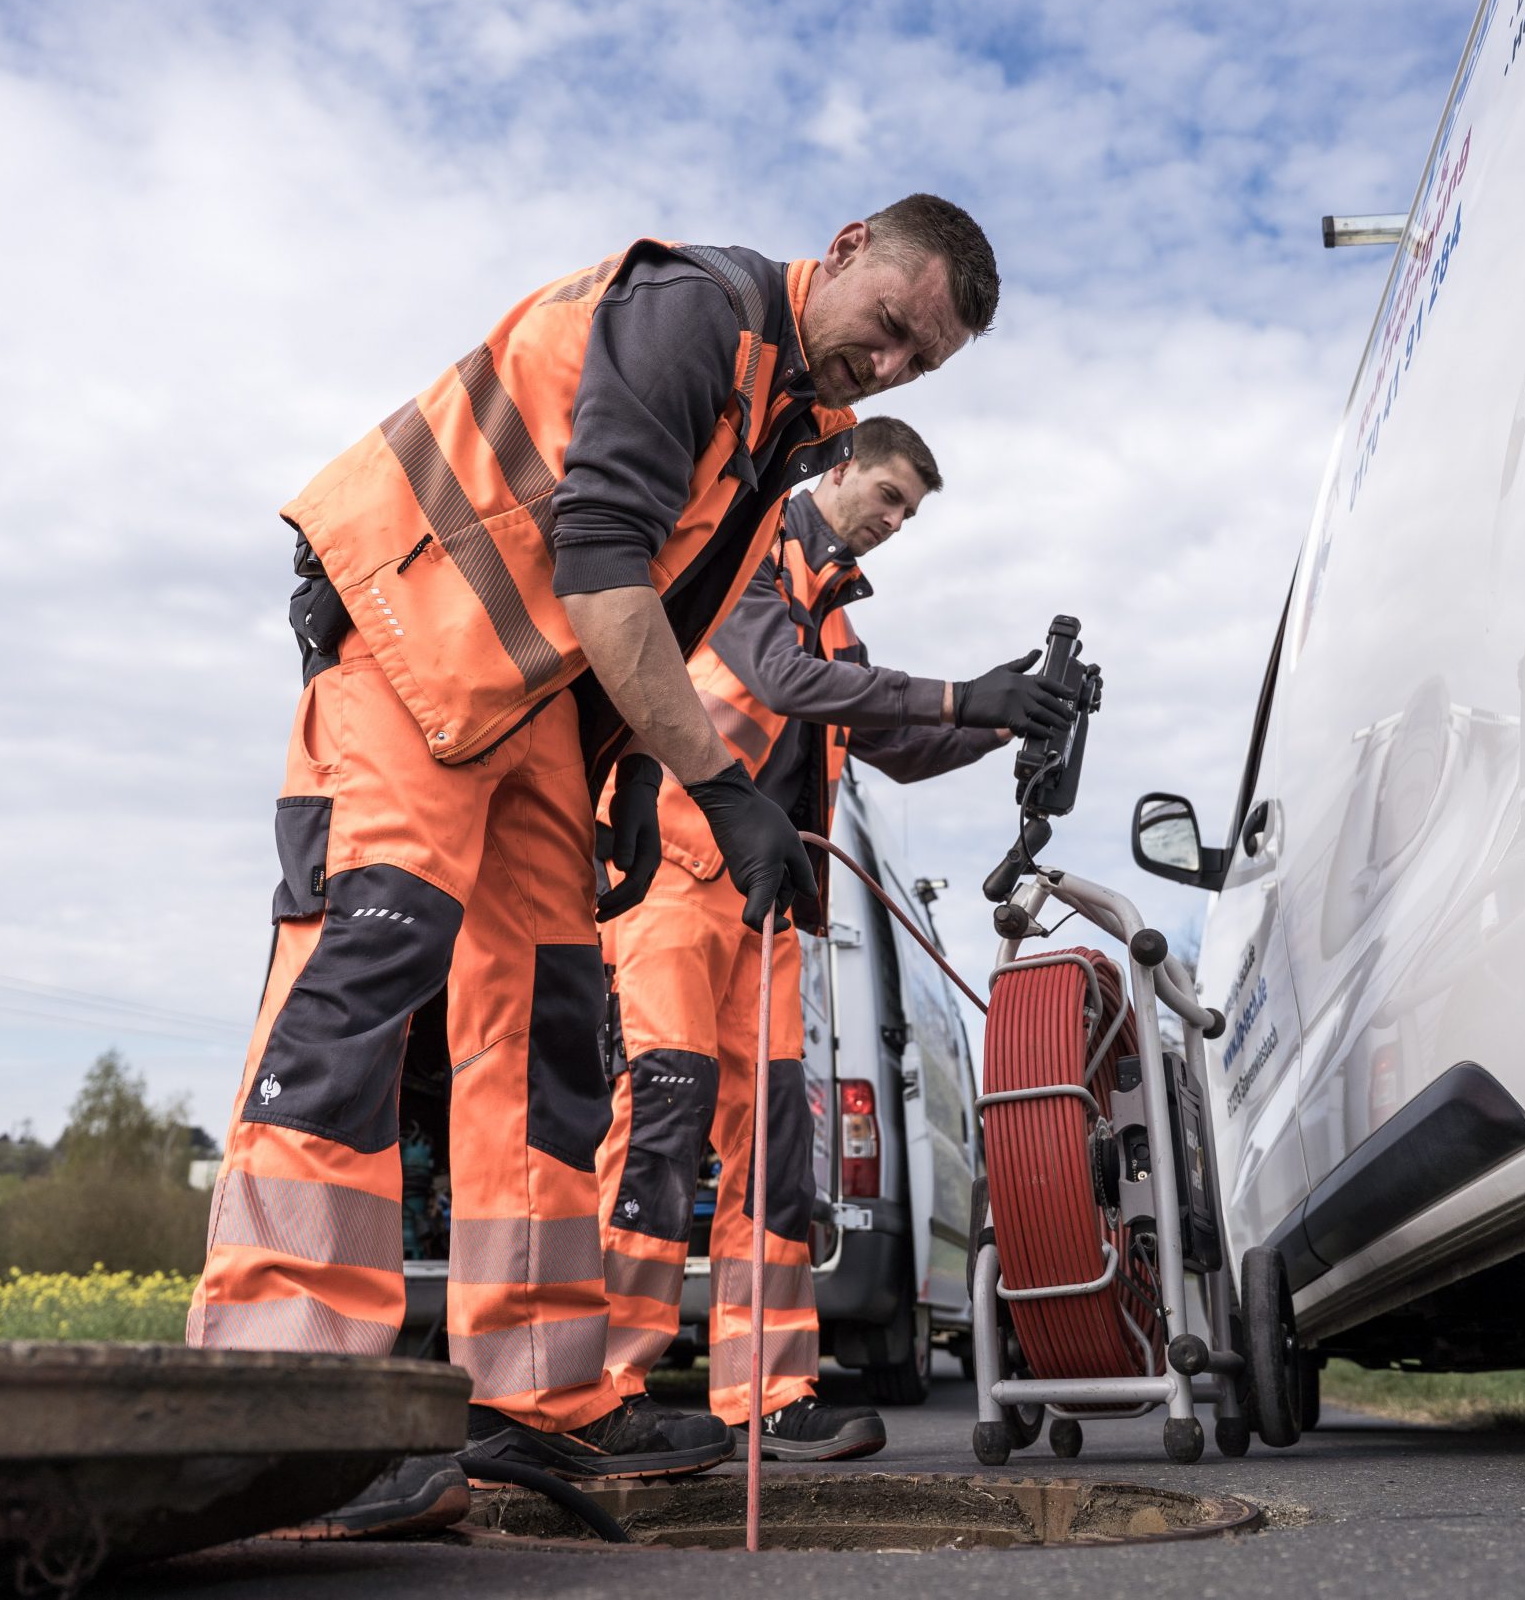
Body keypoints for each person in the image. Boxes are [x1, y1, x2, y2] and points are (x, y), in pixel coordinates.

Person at [187, 198, 1001, 1537]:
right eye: (893, 327)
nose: (893, 364)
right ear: (849, 246)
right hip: (408, 640)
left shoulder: (787, 423)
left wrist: (621, 778)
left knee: (552, 1037)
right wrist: (714, 785)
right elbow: (603, 563)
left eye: (924, 362)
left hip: (534, 715)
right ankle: (283, 1413)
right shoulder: (695, 313)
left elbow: (661, 614)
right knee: (366, 973)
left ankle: (538, 1393)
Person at [596, 415, 1077, 1461]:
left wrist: (1001, 716)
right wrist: (961, 693)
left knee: (776, 1152)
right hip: (677, 869)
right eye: (889, 497)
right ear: (840, 468)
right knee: (662, 1121)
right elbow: (781, 680)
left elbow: (884, 738)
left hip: (764, 904)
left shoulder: (833, 607)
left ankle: (768, 1392)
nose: (894, 522)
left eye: (909, 513)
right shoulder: (755, 543)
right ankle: (606, 1389)